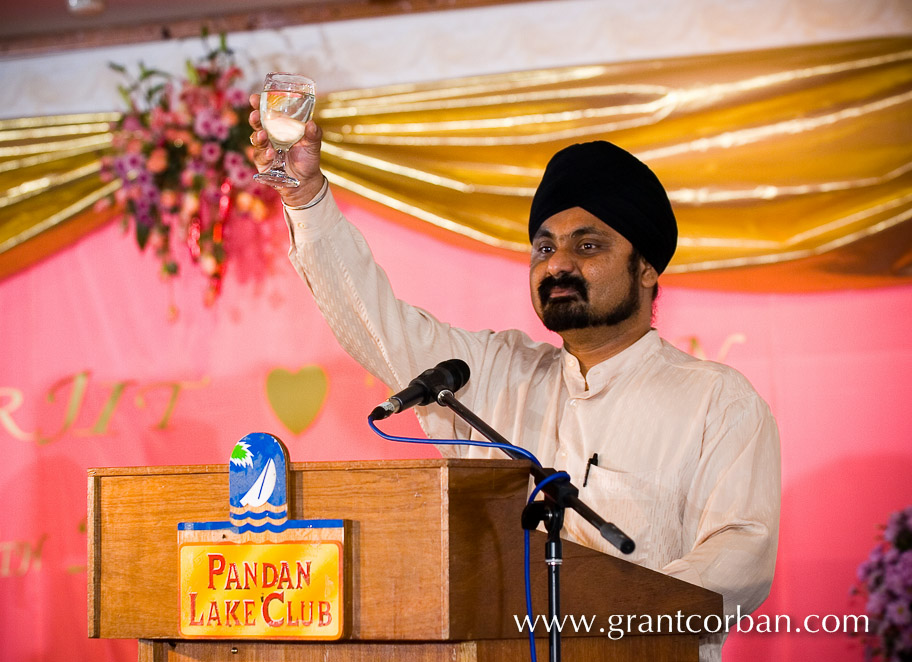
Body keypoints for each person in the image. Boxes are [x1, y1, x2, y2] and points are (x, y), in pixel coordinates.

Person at [248, 95, 780, 661]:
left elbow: (739, 556)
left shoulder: (717, 401)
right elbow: (375, 322)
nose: (557, 264)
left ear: (646, 267)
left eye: (589, 244)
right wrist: (306, 199)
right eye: (544, 247)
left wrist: (600, 614)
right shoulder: (491, 375)